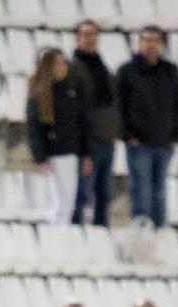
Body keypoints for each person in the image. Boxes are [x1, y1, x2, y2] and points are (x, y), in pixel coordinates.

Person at [116, 27, 178, 230]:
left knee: (159, 190)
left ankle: (159, 229)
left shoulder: (170, 71)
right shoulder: (127, 71)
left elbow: (177, 104)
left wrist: (175, 134)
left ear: (161, 44)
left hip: (163, 140)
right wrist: (127, 135)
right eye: (145, 40)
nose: (149, 44)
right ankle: (141, 228)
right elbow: (120, 105)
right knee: (141, 188)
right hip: (139, 141)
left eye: (154, 40)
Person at [25, 47, 86, 228]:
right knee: (59, 201)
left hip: (70, 151)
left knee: (68, 202)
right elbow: (34, 129)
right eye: (58, 63)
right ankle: (55, 236)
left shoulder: (70, 91)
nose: (63, 67)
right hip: (54, 154)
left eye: (64, 63)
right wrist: (40, 156)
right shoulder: (39, 95)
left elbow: (80, 122)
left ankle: (61, 234)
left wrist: (84, 150)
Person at [68, 21, 119, 226]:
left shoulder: (102, 67)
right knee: (82, 193)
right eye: (85, 34)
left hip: (107, 139)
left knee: (104, 193)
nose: (90, 39)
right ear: (77, 38)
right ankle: (76, 233)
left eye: (93, 34)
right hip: (87, 141)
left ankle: (100, 233)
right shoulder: (74, 68)